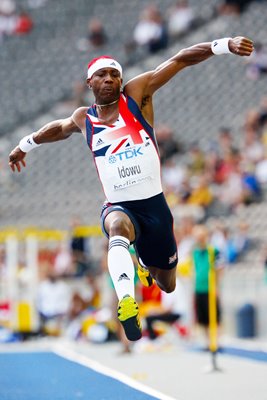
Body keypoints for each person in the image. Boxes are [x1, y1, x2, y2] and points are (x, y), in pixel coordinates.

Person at [8, 36, 253, 341]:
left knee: (167, 283)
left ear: (122, 80)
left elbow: (179, 60)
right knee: (117, 227)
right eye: (102, 74)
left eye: (115, 74)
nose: (110, 79)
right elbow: (58, 129)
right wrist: (24, 145)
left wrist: (224, 44)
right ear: (90, 82)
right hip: (119, 205)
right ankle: (127, 300)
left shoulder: (136, 96)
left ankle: (141, 261)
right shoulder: (84, 118)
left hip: (154, 208)